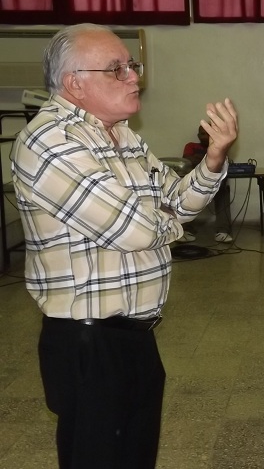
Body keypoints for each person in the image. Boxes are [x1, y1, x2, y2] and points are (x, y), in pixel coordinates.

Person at [10, 24, 238, 469]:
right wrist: (167, 224)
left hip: (135, 334)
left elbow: (177, 201)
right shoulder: (50, 141)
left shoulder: (123, 137)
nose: (134, 76)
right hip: (88, 342)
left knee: (135, 455)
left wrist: (213, 160)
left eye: (132, 65)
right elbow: (133, 232)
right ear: (75, 83)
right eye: (117, 69)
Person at [183, 126, 234, 243]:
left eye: (207, 133)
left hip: (214, 185)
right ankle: (185, 230)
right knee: (185, 192)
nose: (204, 136)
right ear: (198, 136)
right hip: (194, 184)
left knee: (223, 192)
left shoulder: (219, 147)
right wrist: (210, 160)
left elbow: (222, 163)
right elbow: (187, 161)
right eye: (202, 133)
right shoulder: (191, 146)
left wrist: (199, 159)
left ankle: (223, 232)